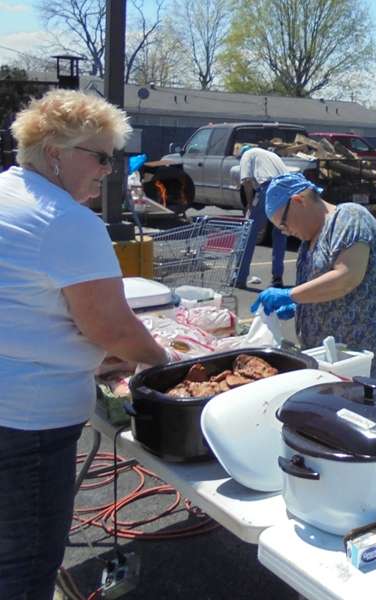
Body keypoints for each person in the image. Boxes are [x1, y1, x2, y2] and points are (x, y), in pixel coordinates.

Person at [0, 89, 168, 599]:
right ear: (54, 151)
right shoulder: (66, 221)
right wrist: (163, 361)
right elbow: (113, 329)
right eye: (100, 157)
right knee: (24, 569)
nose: (108, 170)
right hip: (28, 425)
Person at [251, 173, 376, 386]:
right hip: (343, 366)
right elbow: (327, 289)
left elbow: (346, 277)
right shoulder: (309, 241)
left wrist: (291, 295)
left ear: (298, 201)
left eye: (283, 224)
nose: (285, 233)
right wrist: (302, 306)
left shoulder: (349, 217)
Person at [236, 144, 290, 288]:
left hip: (268, 188)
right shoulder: (272, 155)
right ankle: (277, 278)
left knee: (249, 233)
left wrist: (249, 204)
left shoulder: (247, 155)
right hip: (287, 190)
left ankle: (239, 277)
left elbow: (247, 182)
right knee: (280, 233)